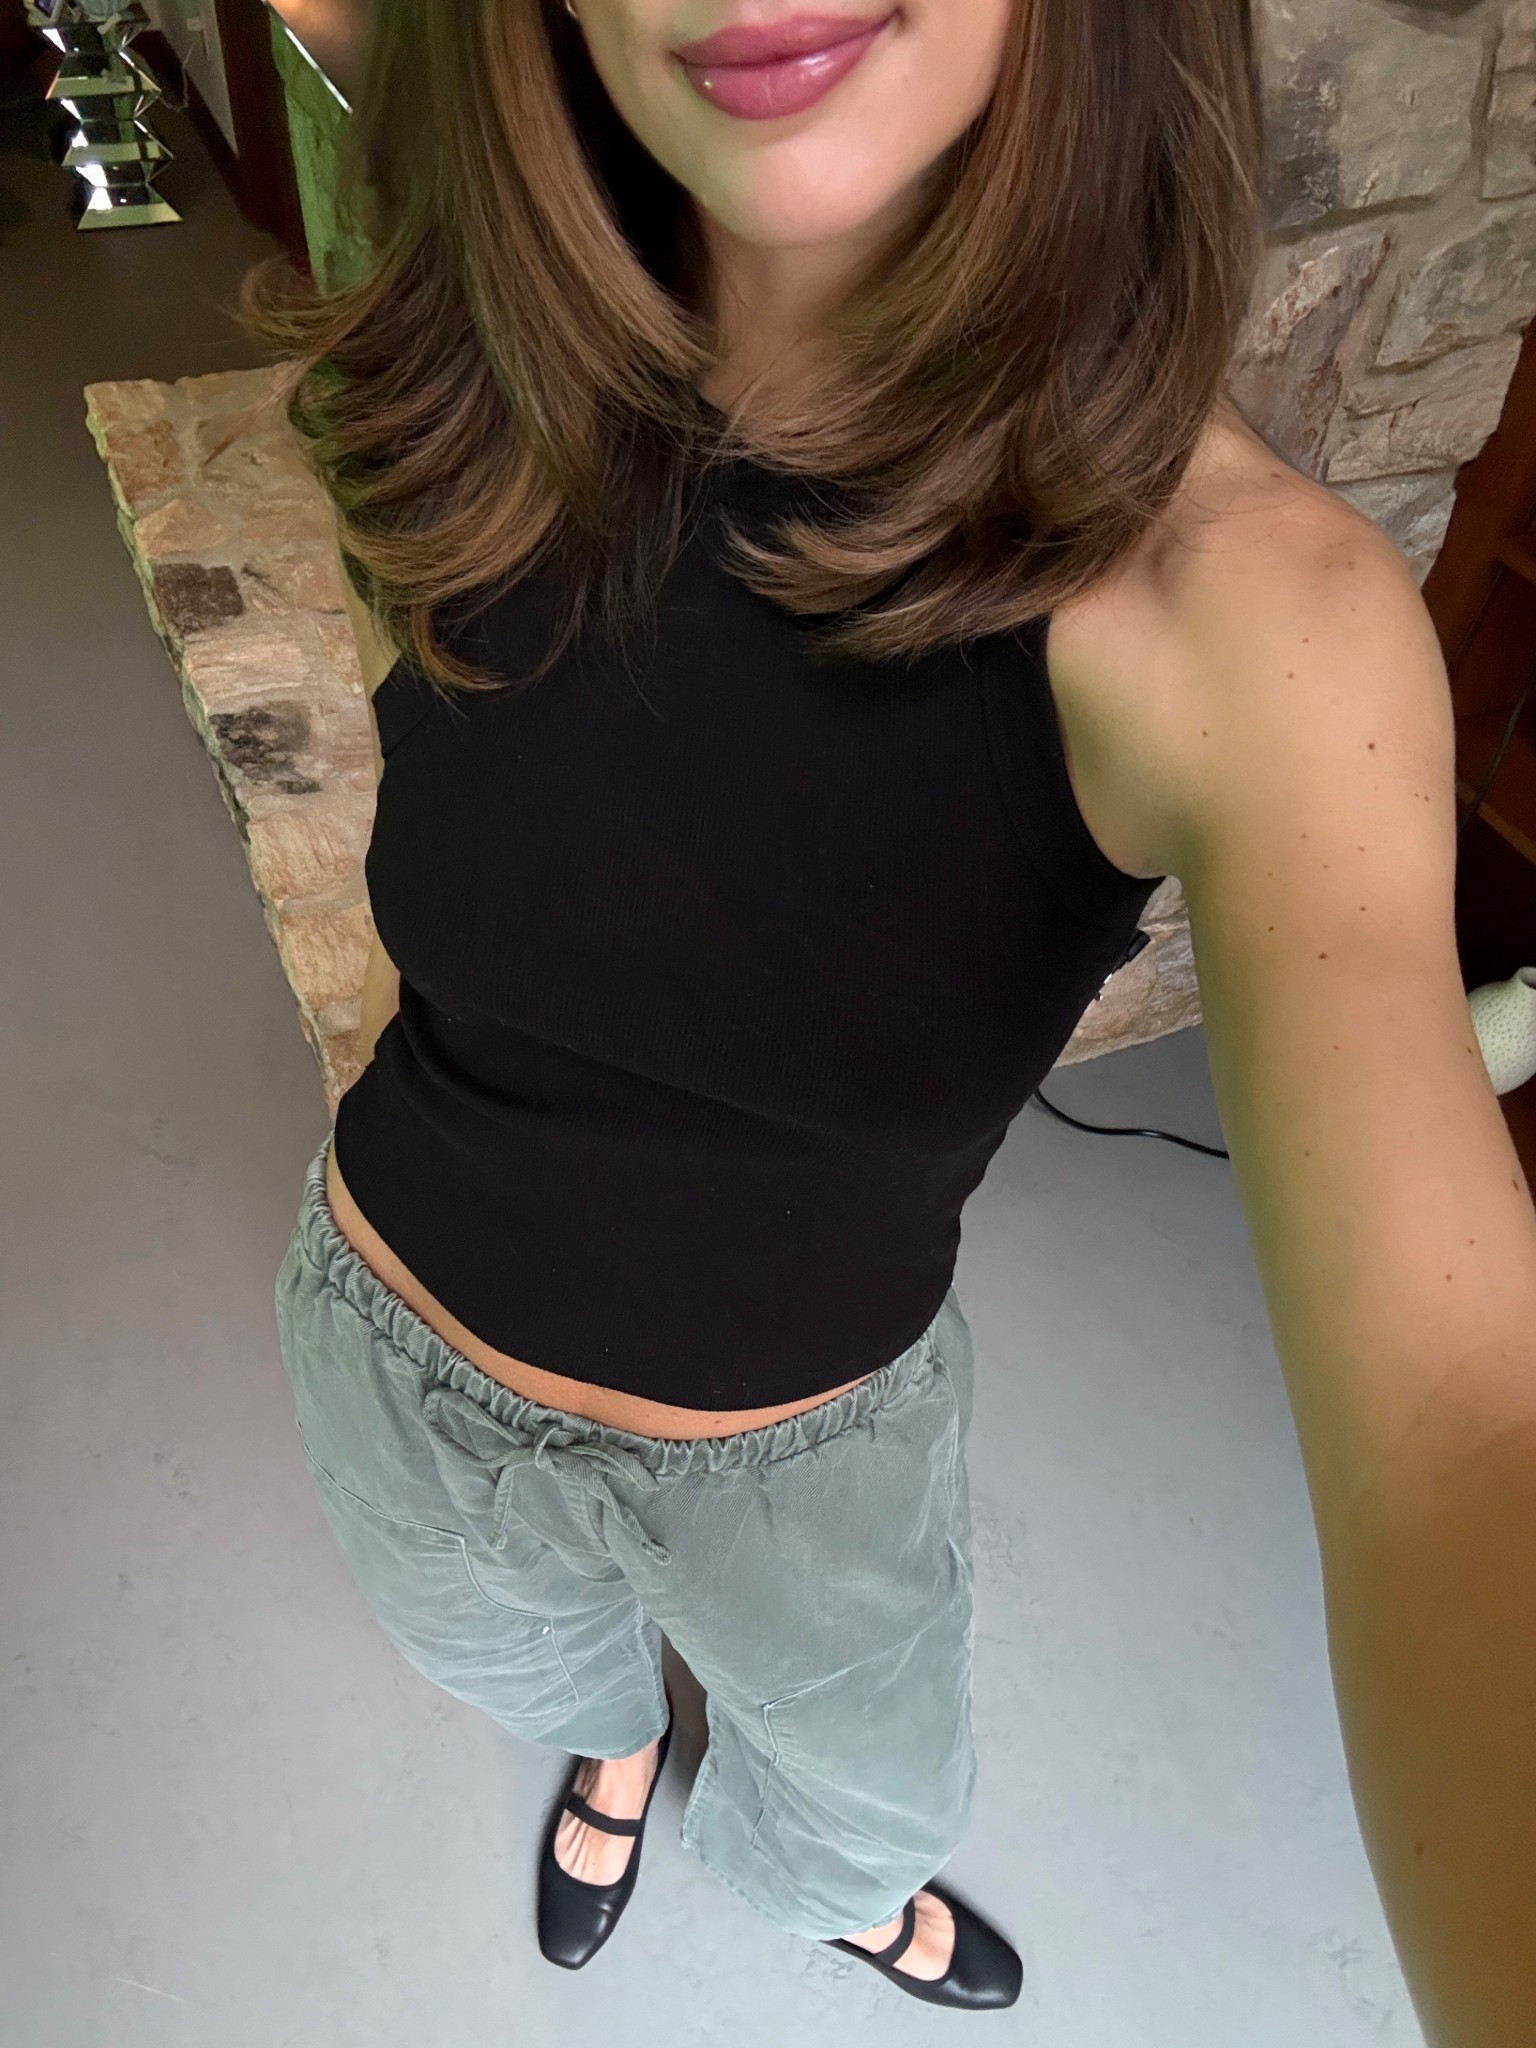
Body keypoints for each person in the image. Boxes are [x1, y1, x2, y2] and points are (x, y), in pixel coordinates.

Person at [243, 0, 1478, 2017]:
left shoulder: (1248, 614)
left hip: (794, 1468)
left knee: (872, 1791)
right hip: (384, 1352)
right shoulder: (512, 274)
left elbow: (1460, 1426)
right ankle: (615, 1754)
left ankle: (838, 1887)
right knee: (519, 1655)